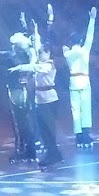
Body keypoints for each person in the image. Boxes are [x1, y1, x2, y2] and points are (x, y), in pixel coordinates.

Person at [14, 18, 63, 170]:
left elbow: (35, 67)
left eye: (41, 52)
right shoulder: (41, 63)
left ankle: (53, 154)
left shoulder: (48, 65)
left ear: (48, 53)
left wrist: (20, 67)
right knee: (43, 129)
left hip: (49, 100)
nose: (39, 54)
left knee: (48, 129)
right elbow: (36, 48)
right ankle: (54, 154)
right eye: (39, 52)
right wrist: (35, 31)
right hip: (40, 100)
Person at [61, 5, 97, 148]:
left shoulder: (67, 53)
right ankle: (86, 135)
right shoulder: (84, 50)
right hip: (84, 80)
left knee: (75, 109)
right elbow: (90, 36)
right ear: (80, 41)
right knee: (85, 108)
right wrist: (92, 19)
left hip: (73, 81)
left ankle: (78, 136)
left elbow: (64, 48)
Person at [4, 24, 37, 163]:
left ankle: (21, 150)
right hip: (21, 90)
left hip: (17, 91)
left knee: (19, 123)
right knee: (25, 122)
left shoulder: (17, 58)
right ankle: (28, 150)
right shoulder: (25, 57)